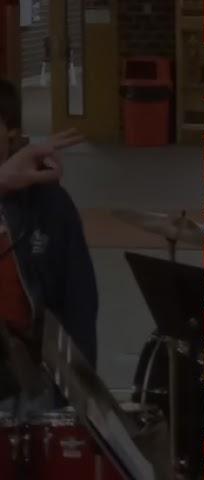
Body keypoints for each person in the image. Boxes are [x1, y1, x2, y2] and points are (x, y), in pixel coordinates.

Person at [0, 79, 97, 416]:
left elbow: (79, 304)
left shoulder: (48, 204)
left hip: (26, 380)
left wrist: (78, 398)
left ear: (11, 132)